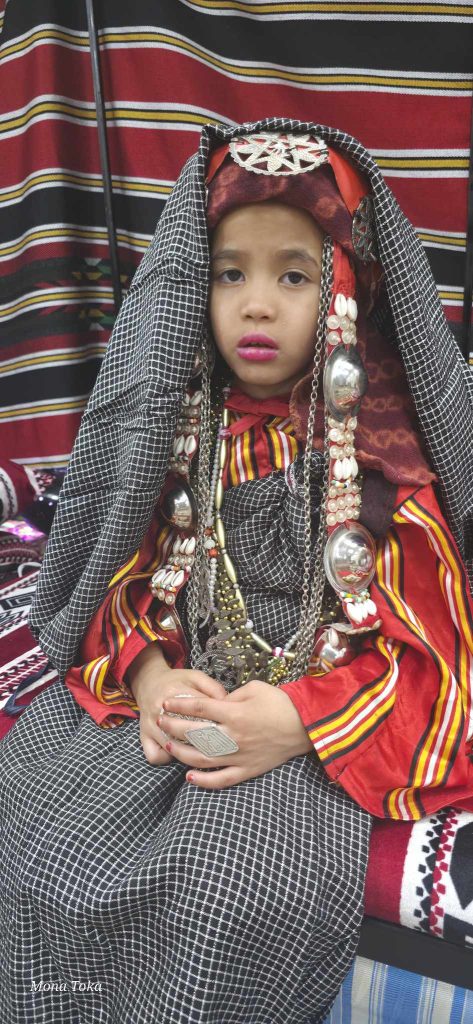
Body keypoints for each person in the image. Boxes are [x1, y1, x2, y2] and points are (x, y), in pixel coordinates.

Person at [0, 119, 472, 1024]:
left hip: (311, 726)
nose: (256, 305)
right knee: (44, 848)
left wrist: (295, 723)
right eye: (229, 274)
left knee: (231, 887)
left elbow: (439, 664)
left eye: (292, 275)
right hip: (180, 698)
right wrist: (150, 680)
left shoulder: (384, 470)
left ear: (344, 289)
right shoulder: (176, 442)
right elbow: (124, 581)